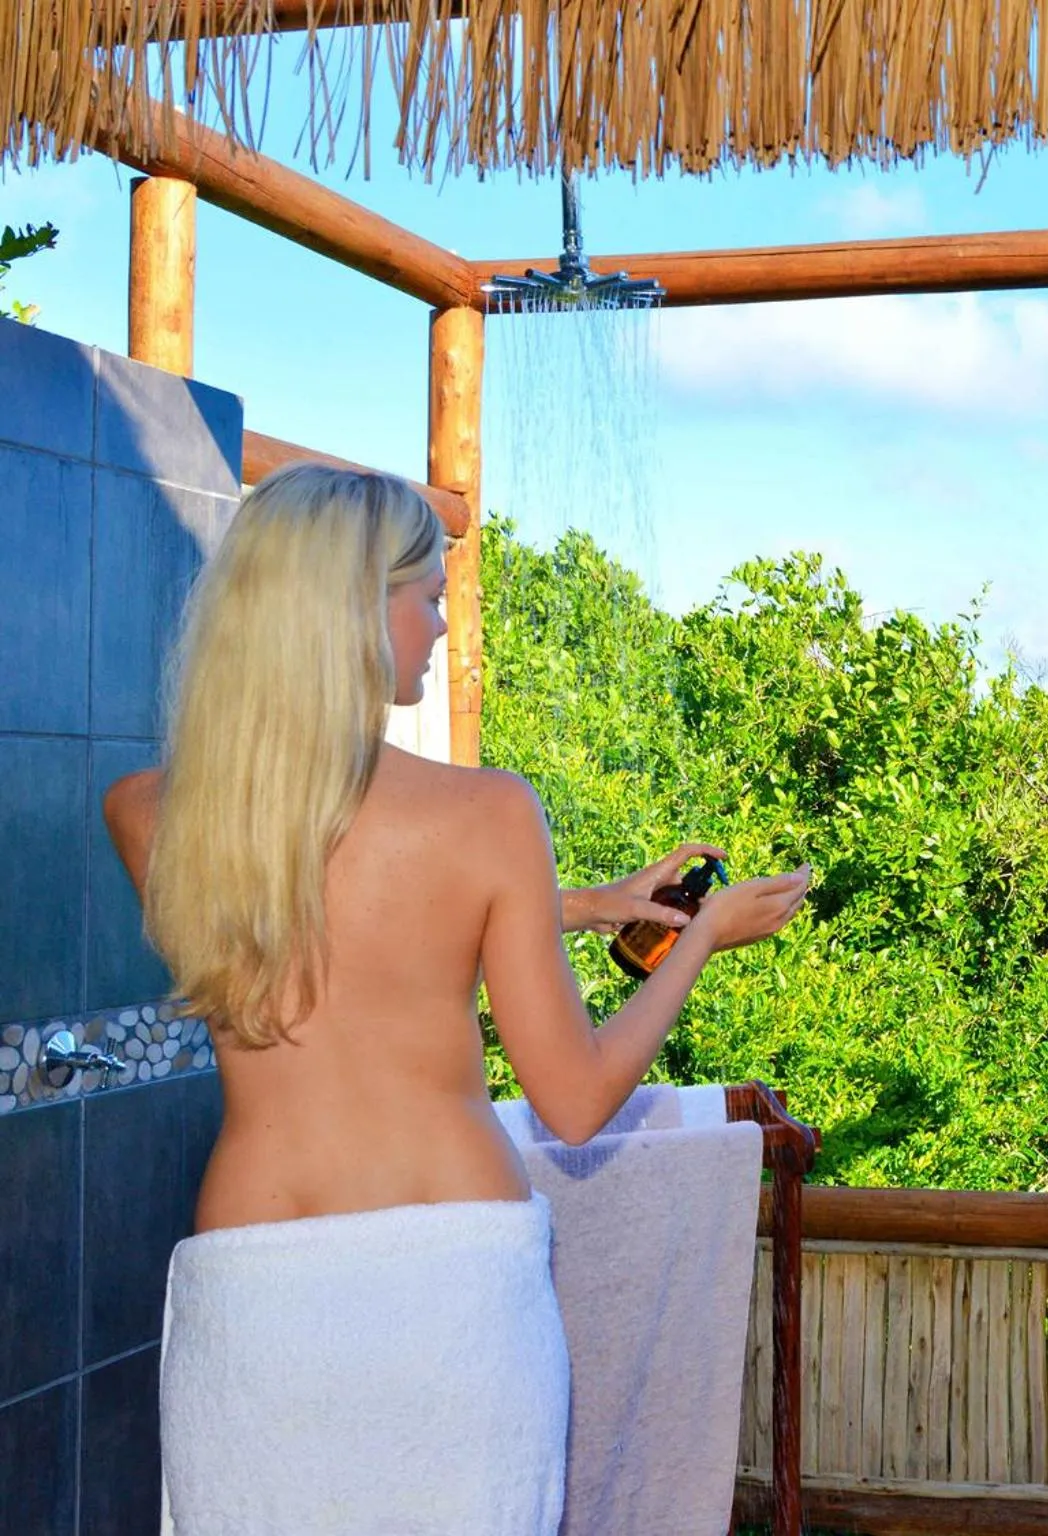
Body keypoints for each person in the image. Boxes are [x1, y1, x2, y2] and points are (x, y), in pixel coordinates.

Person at [101, 462, 809, 1533]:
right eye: (427, 596)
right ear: (352, 606)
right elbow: (572, 1102)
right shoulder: (486, 815)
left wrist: (574, 904)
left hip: (255, 1300)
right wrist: (702, 932)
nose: (440, 626)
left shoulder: (152, 816)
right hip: (451, 1296)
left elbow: (319, 907)